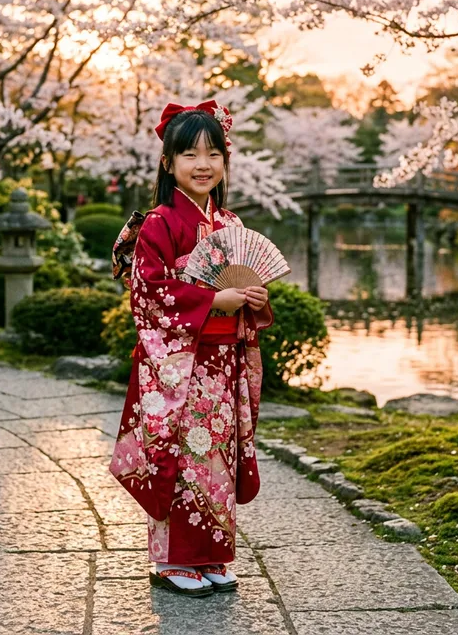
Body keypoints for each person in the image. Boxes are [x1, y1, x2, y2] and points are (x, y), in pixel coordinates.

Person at [109, 99, 272, 598]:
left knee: (217, 456)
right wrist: (212, 300)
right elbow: (149, 292)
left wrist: (252, 299)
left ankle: (212, 554)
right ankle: (173, 559)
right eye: (190, 154)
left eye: (213, 154)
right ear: (168, 163)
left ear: (225, 160)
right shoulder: (160, 222)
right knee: (179, 457)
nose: (204, 165)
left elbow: (243, 283)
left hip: (222, 362)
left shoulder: (230, 223)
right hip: (178, 365)